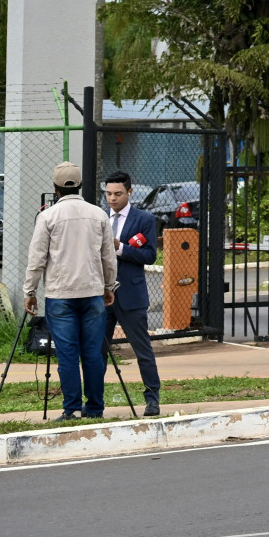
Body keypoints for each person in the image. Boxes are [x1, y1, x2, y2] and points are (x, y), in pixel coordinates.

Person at [22, 162, 118, 420]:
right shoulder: (98, 214)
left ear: (55, 188)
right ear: (81, 185)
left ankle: (71, 408)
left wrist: (29, 290)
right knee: (93, 352)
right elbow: (108, 257)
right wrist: (109, 287)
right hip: (92, 292)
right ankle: (95, 408)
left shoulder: (48, 217)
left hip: (60, 295)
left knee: (67, 354)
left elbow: (37, 259)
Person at [103, 171, 162, 416]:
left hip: (131, 294)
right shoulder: (98, 217)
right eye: (108, 194)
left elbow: (149, 255)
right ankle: (94, 401)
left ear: (129, 192)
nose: (112, 199)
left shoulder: (143, 219)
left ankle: (152, 399)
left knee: (142, 349)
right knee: (97, 350)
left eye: (117, 194)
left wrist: (121, 248)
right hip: (101, 294)